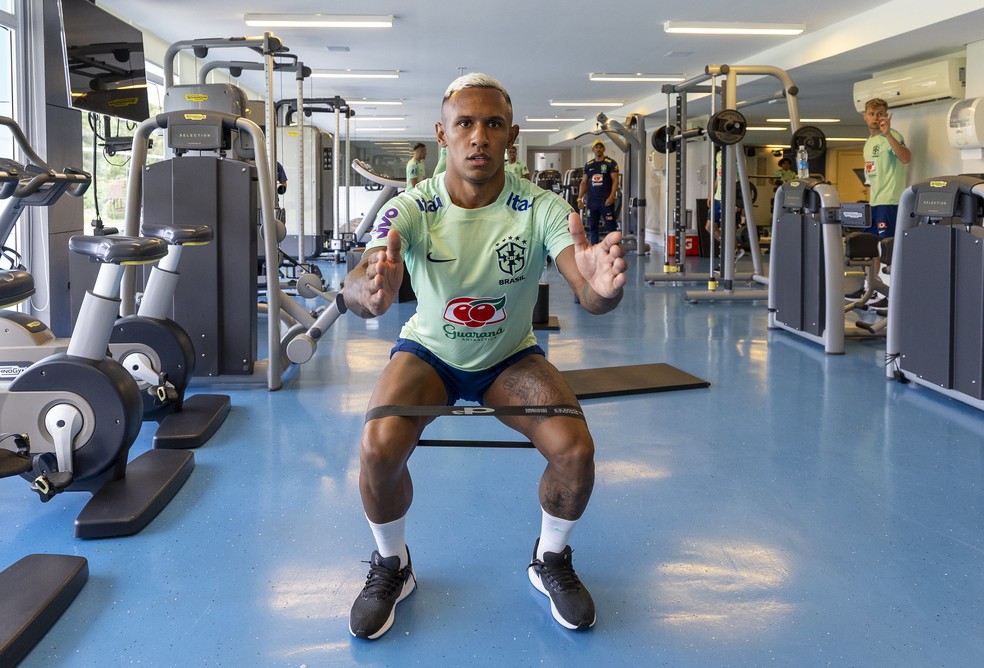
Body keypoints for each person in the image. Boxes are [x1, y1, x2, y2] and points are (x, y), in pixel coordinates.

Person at [343, 72, 626, 640]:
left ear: (511, 136)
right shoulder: (410, 207)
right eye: (465, 124)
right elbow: (360, 286)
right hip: (429, 354)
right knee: (377, 447)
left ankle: (549, 559)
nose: (479, 136)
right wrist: (369, 292)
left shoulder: (541, 208)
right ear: (442, 135)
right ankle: (392, 566)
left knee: (576, 451)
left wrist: (600, 287)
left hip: (510, 358)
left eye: (492, 124)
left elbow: (587, 292)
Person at [847, 97, 912, 303]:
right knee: (872, 247)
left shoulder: (892, 136)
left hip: (890, 201)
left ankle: (891, 292)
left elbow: (905, 158)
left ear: (886, 115)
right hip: (875, 201)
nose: (876, 118)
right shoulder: (868, 143)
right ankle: (871, 288)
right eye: (872, 114)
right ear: (865, 116)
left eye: (880, 114)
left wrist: (888, 134)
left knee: (888, 247)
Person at [577, 139, 620, 244]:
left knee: (611, 228)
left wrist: (611, 196)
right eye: (596, 147)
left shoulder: (611, 163)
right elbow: (583, 183)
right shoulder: (589, 165)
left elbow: (615, 181)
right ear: (593, 149)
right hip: (592, 203)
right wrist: (579, 199)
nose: (599, 149)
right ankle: (594, 250)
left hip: (606, 202)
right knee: (592, 228)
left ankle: (614, 250)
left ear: (604, 149)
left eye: (601, 147)